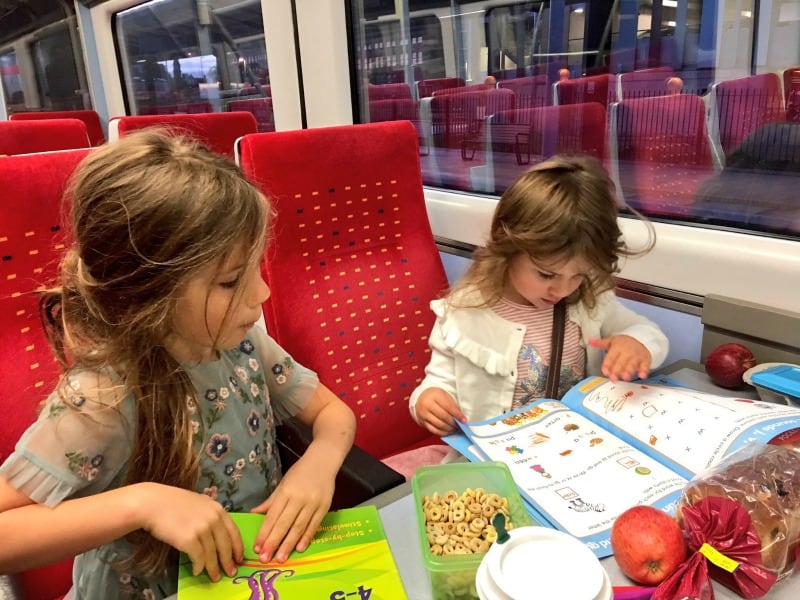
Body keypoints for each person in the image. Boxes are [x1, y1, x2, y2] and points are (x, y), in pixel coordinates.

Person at [0, 130, 356, 598]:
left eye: (256, 269)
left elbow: (334, 416)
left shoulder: (242, 343)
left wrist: (317, 467)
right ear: (148, 292)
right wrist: (140, 504)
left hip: (242, 578)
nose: (262, 294)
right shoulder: (103, 399)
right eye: (231, 281)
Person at [410, 155, 669, 437]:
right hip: (494, 455)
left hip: (574, 443)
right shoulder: (462, 312)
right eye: (546, 275)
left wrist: (636, 343)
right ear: (507, 248)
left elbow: (649, 333)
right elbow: (438, 382)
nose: (563, 290)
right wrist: (427, 400)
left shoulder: (589, 302)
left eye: (579, 275)